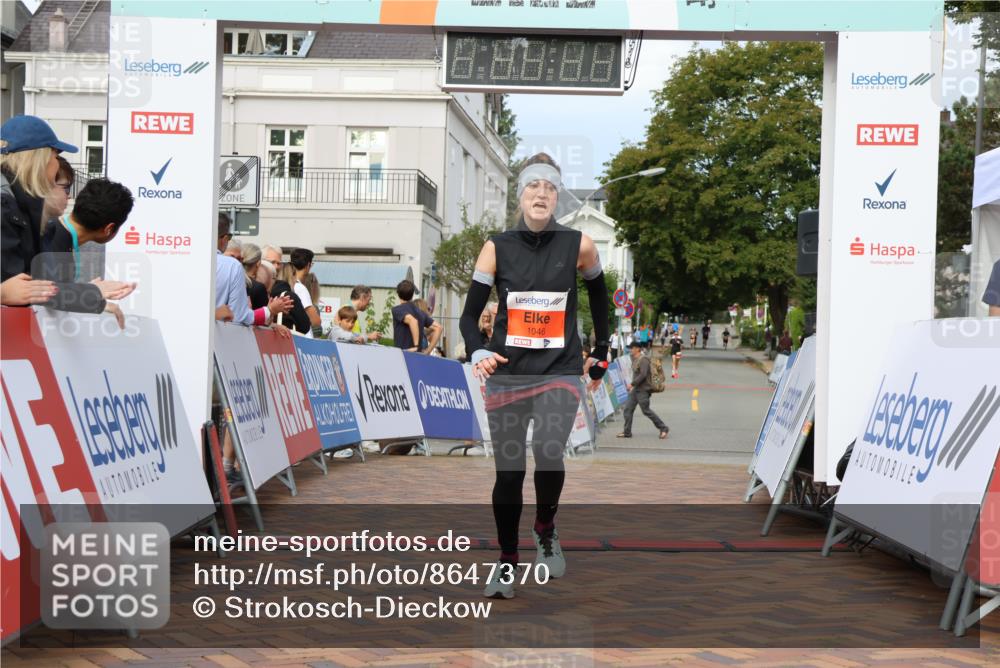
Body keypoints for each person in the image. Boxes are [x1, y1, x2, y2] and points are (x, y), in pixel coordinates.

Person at [459, 153, 610, 599]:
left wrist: (601, 352)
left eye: (549, 187)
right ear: (520, 195)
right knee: (508, 474)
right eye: (533, 187)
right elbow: (469, 317)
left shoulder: (580, 244)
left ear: (557, 196)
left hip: (560, 369)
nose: (541, 194)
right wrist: (478, 350)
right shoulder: (496, 246)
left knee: (547, 450)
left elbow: (600, 301)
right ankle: (507, 560)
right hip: (508, 372)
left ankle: (545, 526)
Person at [1, 114, 133, 311]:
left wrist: (90, 294)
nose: (57, 165)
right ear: (39, 159)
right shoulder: (7, 206)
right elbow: (26, 288)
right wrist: (92, 293)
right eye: (55, 157)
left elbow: (34, 288)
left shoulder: (21, 206)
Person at [38, 177, 136, 327]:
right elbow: (46, 295)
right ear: (109, 229)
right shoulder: (52, 240)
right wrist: (92, 293)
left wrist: (88, 293)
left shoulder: (58, 234)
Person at [618, 341, 669, 440]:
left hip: (643, 390)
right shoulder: (636, 359)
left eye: (632, 348)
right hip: (636, 390)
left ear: (637, 349)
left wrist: (631, 384)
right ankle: (627, 432)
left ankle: (663, 428)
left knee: (646, 411)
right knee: (628, 409)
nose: (630, 350)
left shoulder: (643, 359)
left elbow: (643, 374)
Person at [262, 245, 310, 335]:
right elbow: (305, 326)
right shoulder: (251, 288)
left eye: (279, 263)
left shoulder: (285, 293)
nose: (276, 266)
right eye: (272, 262)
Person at [392, 279, 442, 353]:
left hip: (403, 354)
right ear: (412, 294)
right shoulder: (420, 312)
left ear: (398, 293)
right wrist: (428, 351)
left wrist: (415, 346)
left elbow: (413, 321)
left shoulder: (397, 310)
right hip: (418, 356)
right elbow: (439, 327)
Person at [290, 248, 321, 338]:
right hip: (302, 338)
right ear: (308, 265)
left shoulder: (287, 283)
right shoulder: (300, 288)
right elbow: (316, 321)